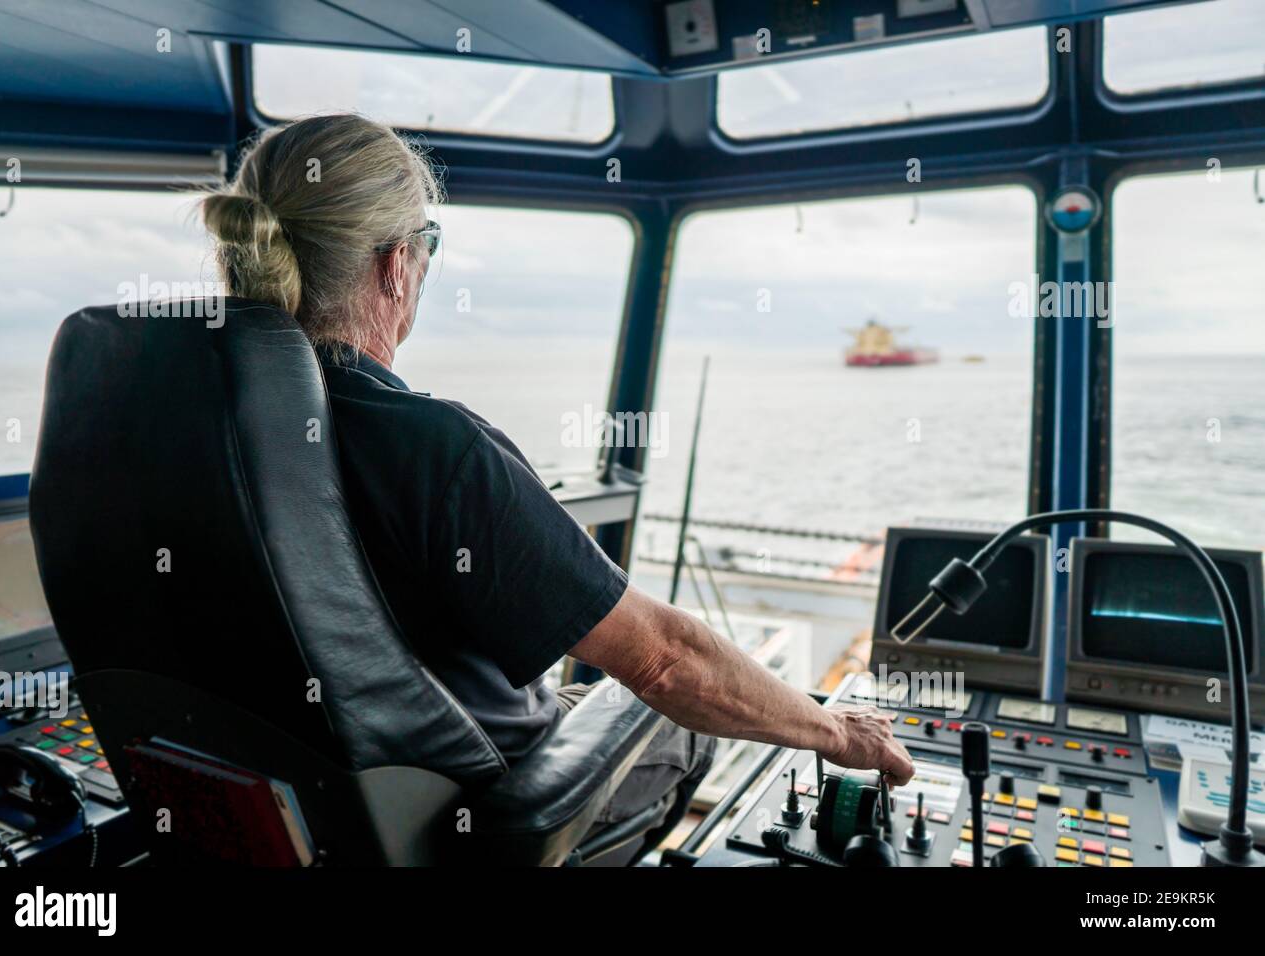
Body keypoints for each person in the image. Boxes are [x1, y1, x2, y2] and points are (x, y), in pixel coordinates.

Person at [200, 114, 913, 862]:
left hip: (272, 792)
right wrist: (835, 728)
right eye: (427, 248)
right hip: (452, 809)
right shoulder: (434, 448)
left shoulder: (184, 425)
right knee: (683, 721)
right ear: (395, 265)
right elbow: (665, 660)